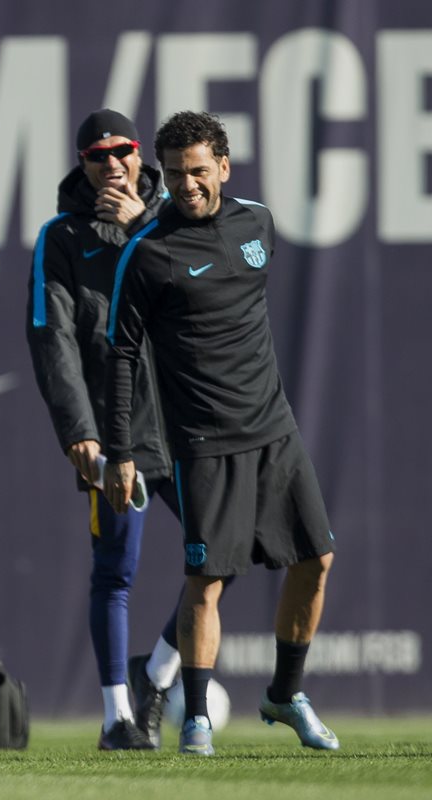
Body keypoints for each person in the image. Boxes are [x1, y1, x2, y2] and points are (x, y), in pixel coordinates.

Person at [104, 111, 338, 756]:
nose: (187, 184)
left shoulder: (256, 221)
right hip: (204, 442)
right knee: (207, 582)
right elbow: (120, 355)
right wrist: (121, 453)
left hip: (275, 431)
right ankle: (197, 718)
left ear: (224, 168)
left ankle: (285, 693)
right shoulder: (147, 253)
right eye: (175, 174)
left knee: (316, 560)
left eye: (199, 171)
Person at [27, 108, 181, 750]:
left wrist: (142, 230)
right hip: (116, 434)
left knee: (229, 553)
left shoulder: (175, 221)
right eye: (98, 155)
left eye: (123, 150)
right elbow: (52, 337)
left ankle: (159, 677)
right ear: (83, 166)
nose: (113, 163)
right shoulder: (61, 237)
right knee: (115, 569)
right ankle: (118, 716)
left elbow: (203, 294)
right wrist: (78, 431)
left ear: (140, 154)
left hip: (186, 424)